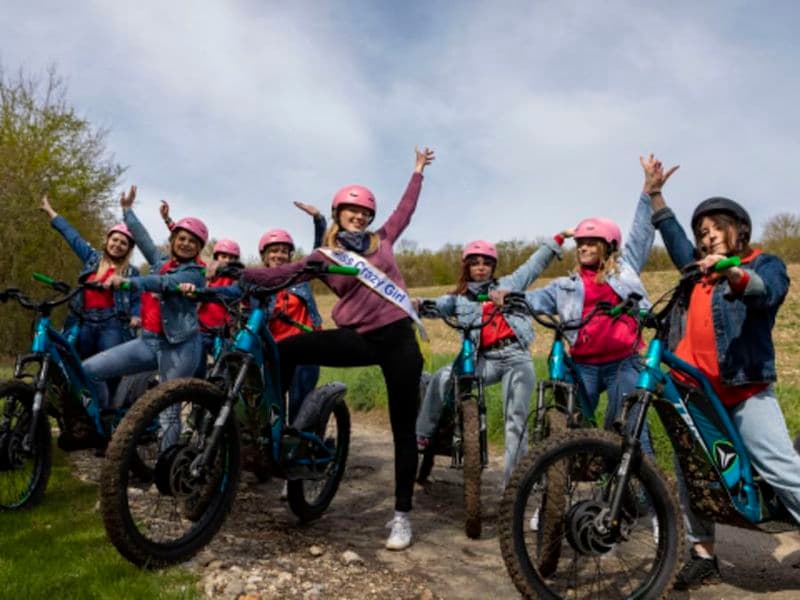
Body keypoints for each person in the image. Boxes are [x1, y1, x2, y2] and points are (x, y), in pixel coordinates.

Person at [241, 146, 435, 550]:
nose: (360, 217)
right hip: (358, 339)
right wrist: (239, 274)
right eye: (352, 210)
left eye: (365, 212)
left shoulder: (383, 240)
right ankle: (277, 431)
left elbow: (406, 209)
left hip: (399, 339)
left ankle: (401, 517)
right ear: (338, 213)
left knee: (403, 429)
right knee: (288, 350)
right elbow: (283, 271)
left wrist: (416, 170)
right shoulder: (323, 256)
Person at [651, 179, 800, 590]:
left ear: (739, 230)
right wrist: (655, 195)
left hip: (744, 389)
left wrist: (732, 271)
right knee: (691, 471)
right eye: (702, 232)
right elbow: (673, 233)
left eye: (716, 227)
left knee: (781, 468)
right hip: (695, 392)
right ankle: (704, 554)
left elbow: (766, 293)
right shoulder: (695, 271)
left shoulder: (761, 263)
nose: (707, 236)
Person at [507, 155, 672, 457]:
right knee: (572, 418)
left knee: (629, 422)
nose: (583, 246)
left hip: (624, 361)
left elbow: (641, 232)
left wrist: (648, 190)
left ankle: (647, 498)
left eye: (591, 242)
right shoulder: (565, 285)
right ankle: (569, 470)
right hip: (584, 365)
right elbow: (535, 300)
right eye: (580, 242)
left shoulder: (625, 269)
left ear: (607, 245)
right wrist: (509, 297)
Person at [415, 232, 569, 487]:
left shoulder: (509, 283)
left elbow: (534, 265)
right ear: (467, 267)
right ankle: (422, 433)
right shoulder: (459, 299)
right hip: (485, 359)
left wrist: (558, 239)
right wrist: (416, 304)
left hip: (516, 357)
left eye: (486, 263)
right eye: (475, 263)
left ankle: (513, 486)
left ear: (493, 267)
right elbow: (436, 306)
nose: (480, 268)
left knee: (515, 419)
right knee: (443, 376)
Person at [82, 185, 207, 449]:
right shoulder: (160, 259)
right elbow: (143, 238)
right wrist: (127, 211)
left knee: (168, 409)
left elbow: (160, 283)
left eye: (192, 241)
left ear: (198, 248)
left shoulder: (195, 273)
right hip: (147, 342)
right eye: (181, 238)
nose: (185, 244)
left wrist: (126, 283)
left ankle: (167, 468)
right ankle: (105, 419)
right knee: (89, 371)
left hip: (180, 346)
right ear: (173, 240)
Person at [40, 195, 140, 359]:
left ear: (128, 249)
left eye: (124, 243)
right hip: (84, 320)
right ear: (107, 240)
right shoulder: (92, 258)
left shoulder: (130, 272)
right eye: (115, 239)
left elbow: (137, 297)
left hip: (112, 324)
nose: (118, 245)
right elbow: (72, 236)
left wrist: (136, 315)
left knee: (109, 364)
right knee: (79, 362)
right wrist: (51, 212)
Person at [160, 199, 241, 376]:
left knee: (225, 371)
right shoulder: (204, 270)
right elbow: (185, 239)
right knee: (197, 370)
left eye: (231, 258)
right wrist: (168, 221)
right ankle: (198, 401)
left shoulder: (236, 281)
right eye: (223, 256)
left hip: (223, 333)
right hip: (201, 329)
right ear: (216, 257)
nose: (226, 261)